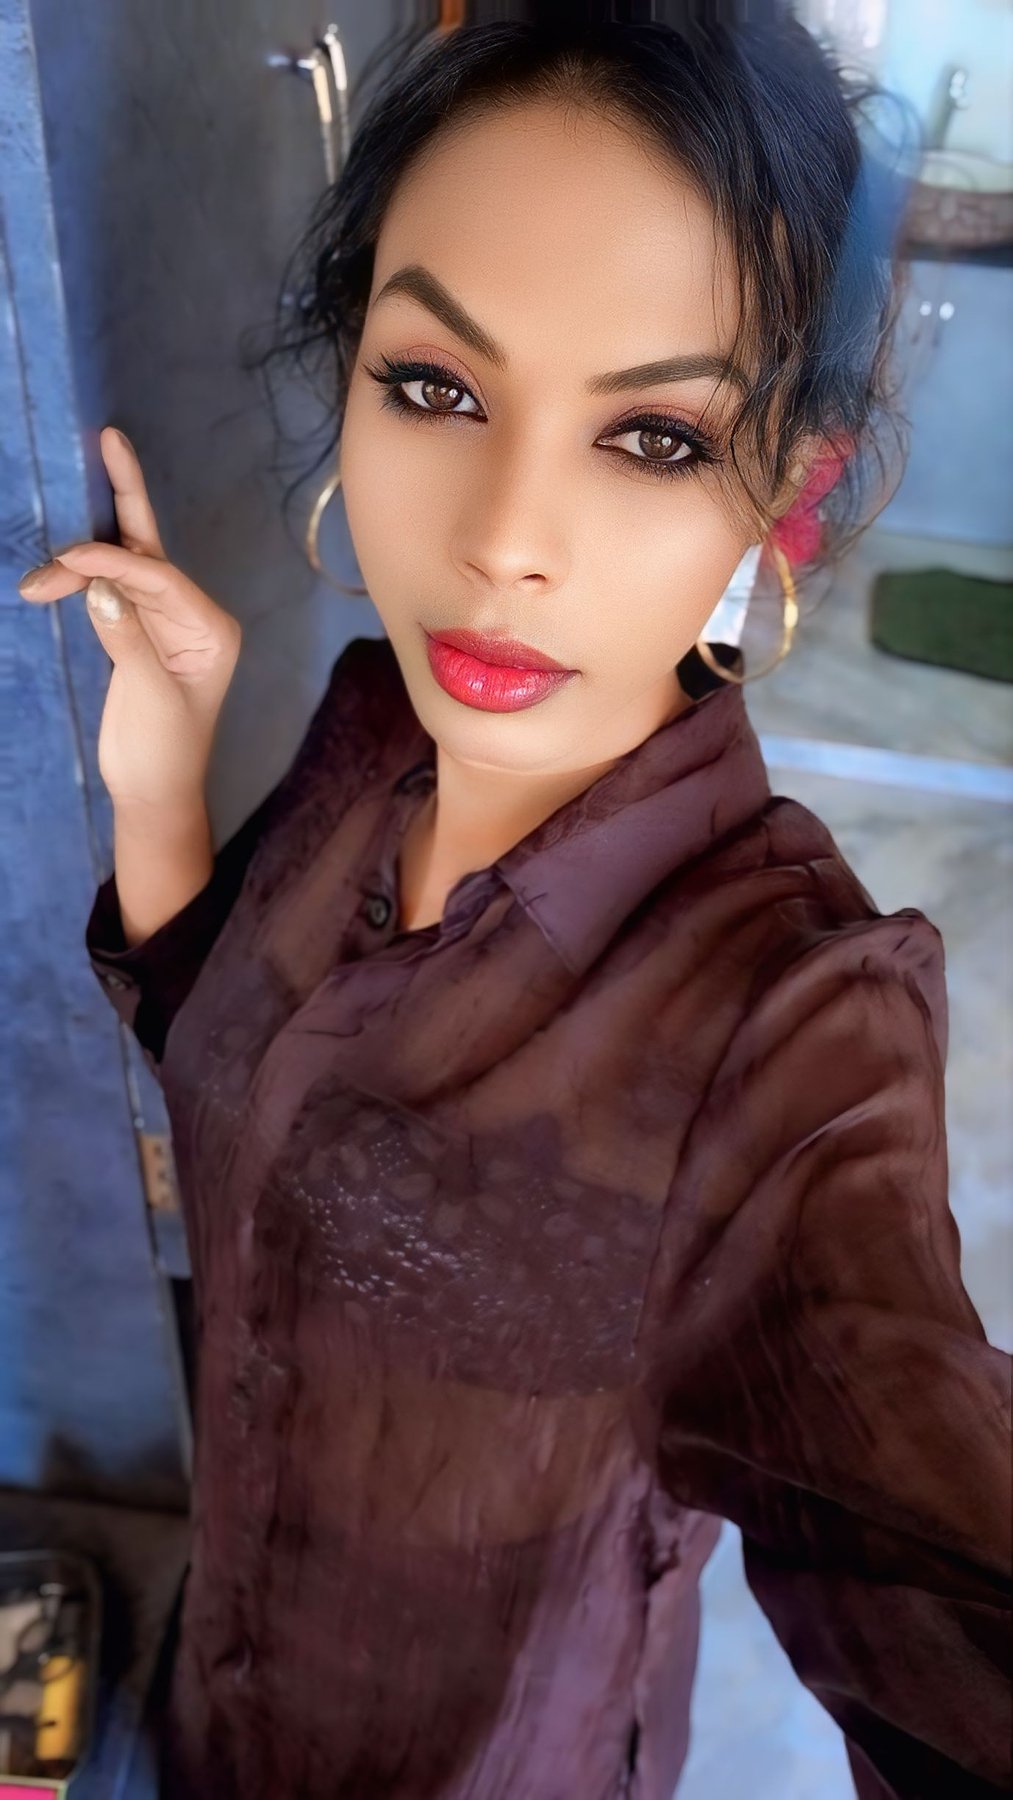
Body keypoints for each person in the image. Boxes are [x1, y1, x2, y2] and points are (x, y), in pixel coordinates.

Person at [18, 9, 1010, 1798]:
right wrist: (161, 784)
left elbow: (937, 1577)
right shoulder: (364, 738)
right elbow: (233, 1072)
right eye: (436, 388)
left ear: (781, 492)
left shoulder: (787, 1030)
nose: (500, 537)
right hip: (214, 1698)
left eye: (653, 437)